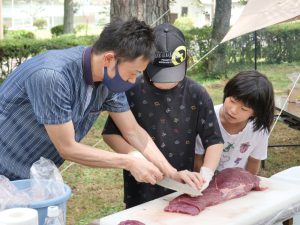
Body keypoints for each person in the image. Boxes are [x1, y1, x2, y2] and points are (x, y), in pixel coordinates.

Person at [0, 18, 194, 185]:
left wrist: (171, 173)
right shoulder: (52, 76)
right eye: (133, 73)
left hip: (31, 177)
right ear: (109, 59)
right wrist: (129, 161)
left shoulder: (109, 80)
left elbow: (133, 131)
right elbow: (67, 148)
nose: (133, 81)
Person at [102, 23, 224, 208]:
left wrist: (206, 174)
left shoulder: (196, 93)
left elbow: (214, 139)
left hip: (182, 186)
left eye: (173, 75)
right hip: (140, 186)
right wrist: (135, 158)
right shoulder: (131, 88)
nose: (167, 82)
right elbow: (110, 134)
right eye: (159, 74)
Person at [195, 70, 275, 175]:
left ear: (255, 113)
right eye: (232, 101)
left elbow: (254, 161)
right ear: (227, 93)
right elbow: (197, 157)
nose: (233, 110)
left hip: (236, 180)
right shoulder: (207, 118)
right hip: (206, 179)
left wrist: (247, 183)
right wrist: (203, 182)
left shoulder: (258, 129)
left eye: (244, 109)